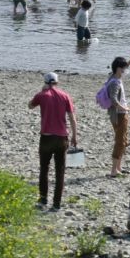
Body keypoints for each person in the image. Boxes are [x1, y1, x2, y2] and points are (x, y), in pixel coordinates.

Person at [27, 71, 78, 211]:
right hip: (61, 138)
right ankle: (56, 204)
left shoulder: (42, 95)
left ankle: (43, 199)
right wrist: (74, 135)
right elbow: (72, 118)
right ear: (57, 82)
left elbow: (30, 106)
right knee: (60, 171)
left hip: (46, 137)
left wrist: (41, 90)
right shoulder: (65, 95)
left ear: (45, 82)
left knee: (44, 169)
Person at [104, 55, 130, 178]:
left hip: (120, 114)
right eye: (123, 68)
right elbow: (113, 99)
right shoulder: (115, 82)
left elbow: (122, 68)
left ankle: (118, 167)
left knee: (123, 140)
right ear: (119, 69)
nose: (125, 70)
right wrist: (124, 108)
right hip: (119, 115)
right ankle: (114, 170)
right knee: (120, 141)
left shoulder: (113, 76)